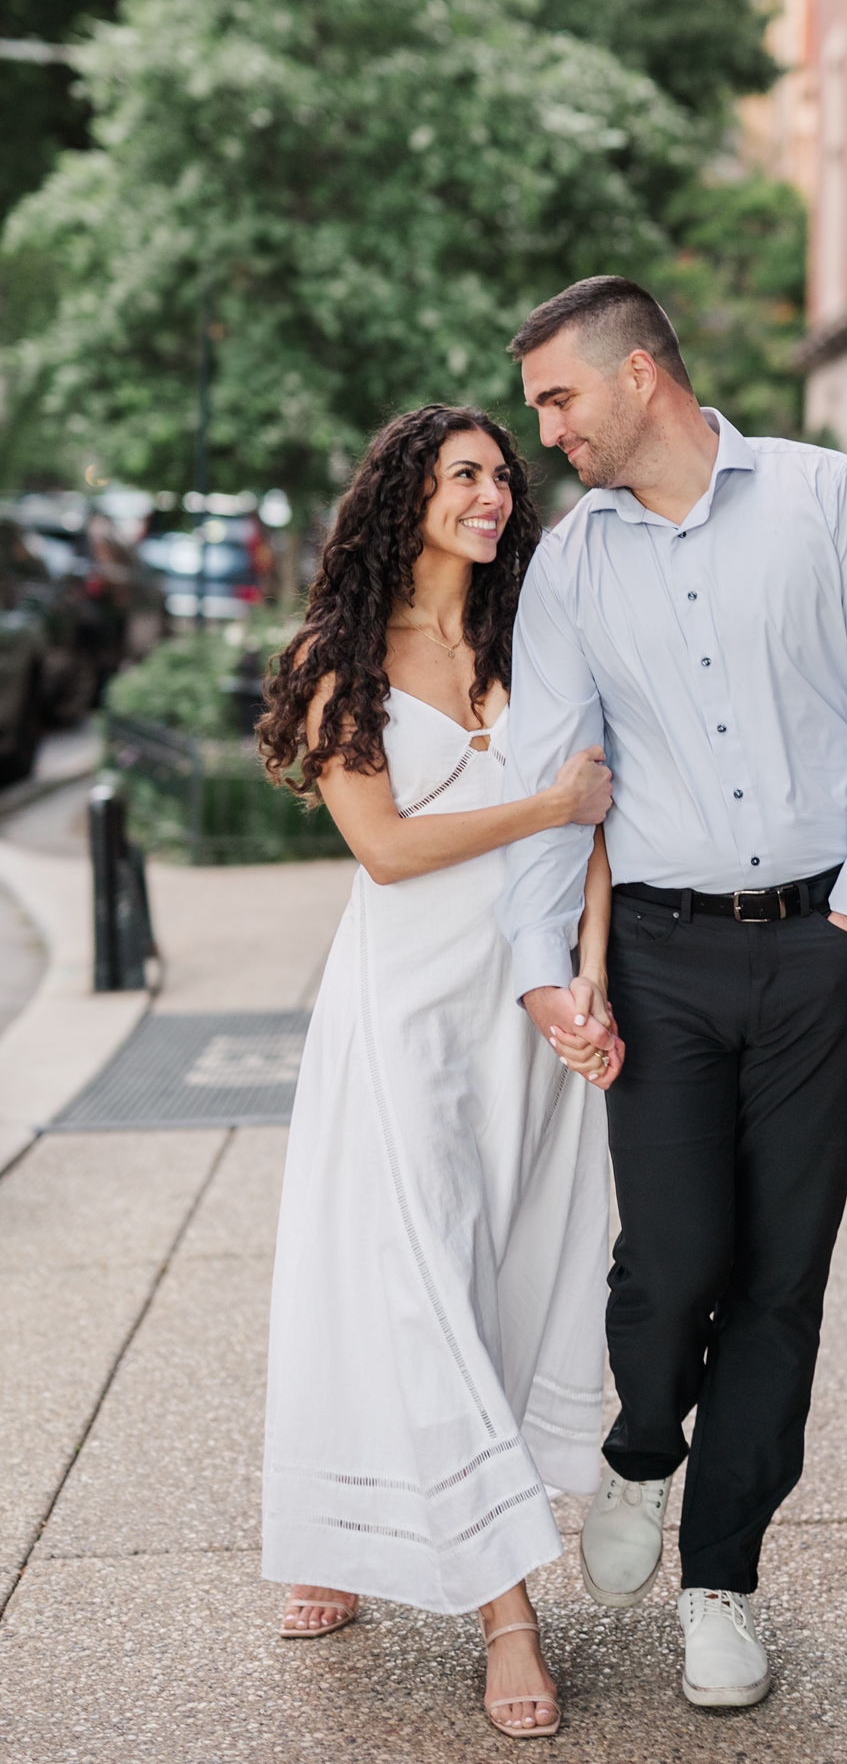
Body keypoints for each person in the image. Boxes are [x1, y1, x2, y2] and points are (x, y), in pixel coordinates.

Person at [500, 277, 847, 1710]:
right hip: (664, 960)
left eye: (559, 398)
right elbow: (556, 783)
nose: (547, 433)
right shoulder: (571, 567)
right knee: (677, 1251)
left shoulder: (825, 500)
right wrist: (540, 971)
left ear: (640, 375)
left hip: (822, 942)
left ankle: (722, 1578)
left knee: (780, 1276)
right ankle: (642, 1446)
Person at [257, 404, 623, 1741]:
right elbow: (392, 848)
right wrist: (545, 803)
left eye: (501, 475)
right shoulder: (339, 657)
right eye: (463, 471)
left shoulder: (533, 639)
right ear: (405, 491)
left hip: (519, 1010)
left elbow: (599, 819)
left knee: (503, 1267)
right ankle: (504, 1615)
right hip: (404, 1009)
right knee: (415, 1279)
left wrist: (589, 975)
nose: (490, 492)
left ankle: (349, 1525)